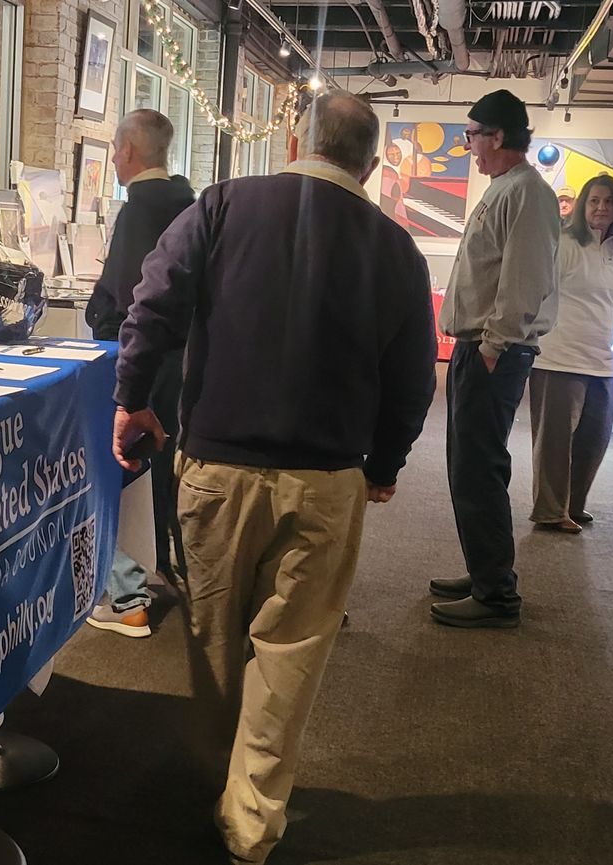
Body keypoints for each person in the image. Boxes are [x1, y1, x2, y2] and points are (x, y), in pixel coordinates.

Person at [112, 91, 434, 865]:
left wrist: (130, 399)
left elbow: (152, 302)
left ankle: (208, 783)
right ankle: (251, 822)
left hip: (218, 467)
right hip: (327, 479)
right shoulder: (396, 250)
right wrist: (385, 464)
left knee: (214, 641)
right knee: (290, 653)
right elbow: (413, 376)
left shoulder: (222, 205)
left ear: (296, 140)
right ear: (370, 161)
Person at [429, 89, 561, 629]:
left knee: (480, 469)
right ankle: (486, 571)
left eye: (472, 135)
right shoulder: (507, 188)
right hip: (478, 349)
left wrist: (492, 347)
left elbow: (523, 281)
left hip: (493, 351)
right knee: (467, 468)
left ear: (498, 136)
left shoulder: (526, 191)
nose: (469, 147)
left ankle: (496, 595)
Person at [83, 109, 197, 638]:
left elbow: (134, 302)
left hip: (137, 362)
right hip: (180, 362)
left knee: (122, 466)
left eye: (113, 147)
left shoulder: (138, 211)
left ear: (128, 150)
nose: (112, 157)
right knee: (161, 467)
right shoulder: (190, 205)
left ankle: (127, 596)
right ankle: (163, 571)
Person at [529, 175, 613, 533]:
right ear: (583, 205)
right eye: (594, 201)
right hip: (559, 354)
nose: (601, 208)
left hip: (600, 356)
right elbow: (539, 287)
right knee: (555, 441)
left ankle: (574, 504)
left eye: (608, 202)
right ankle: (551, 511)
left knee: (595, 435)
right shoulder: (566, 243)